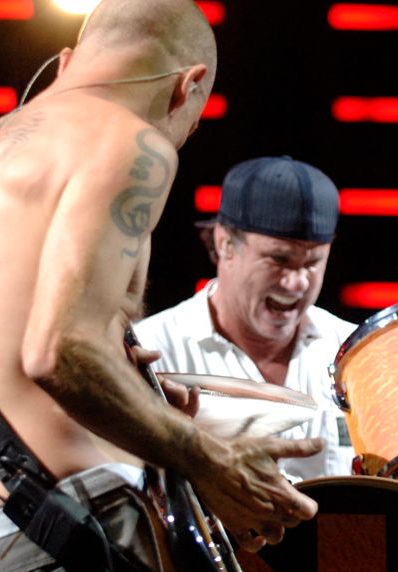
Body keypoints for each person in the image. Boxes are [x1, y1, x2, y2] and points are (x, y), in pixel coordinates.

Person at [0, 0, 322, 572]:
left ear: (65, 63)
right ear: (187, 86)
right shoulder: (129, 143)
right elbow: (60, 350)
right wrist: (211, 462)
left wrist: (130, 403)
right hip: (71, 554)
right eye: (192, 122)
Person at [134, 156, 356, 481]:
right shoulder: (153, 349)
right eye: (279, 259)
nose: (297, 284)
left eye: (312, 263)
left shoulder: (355, 356)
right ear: (225, 245)